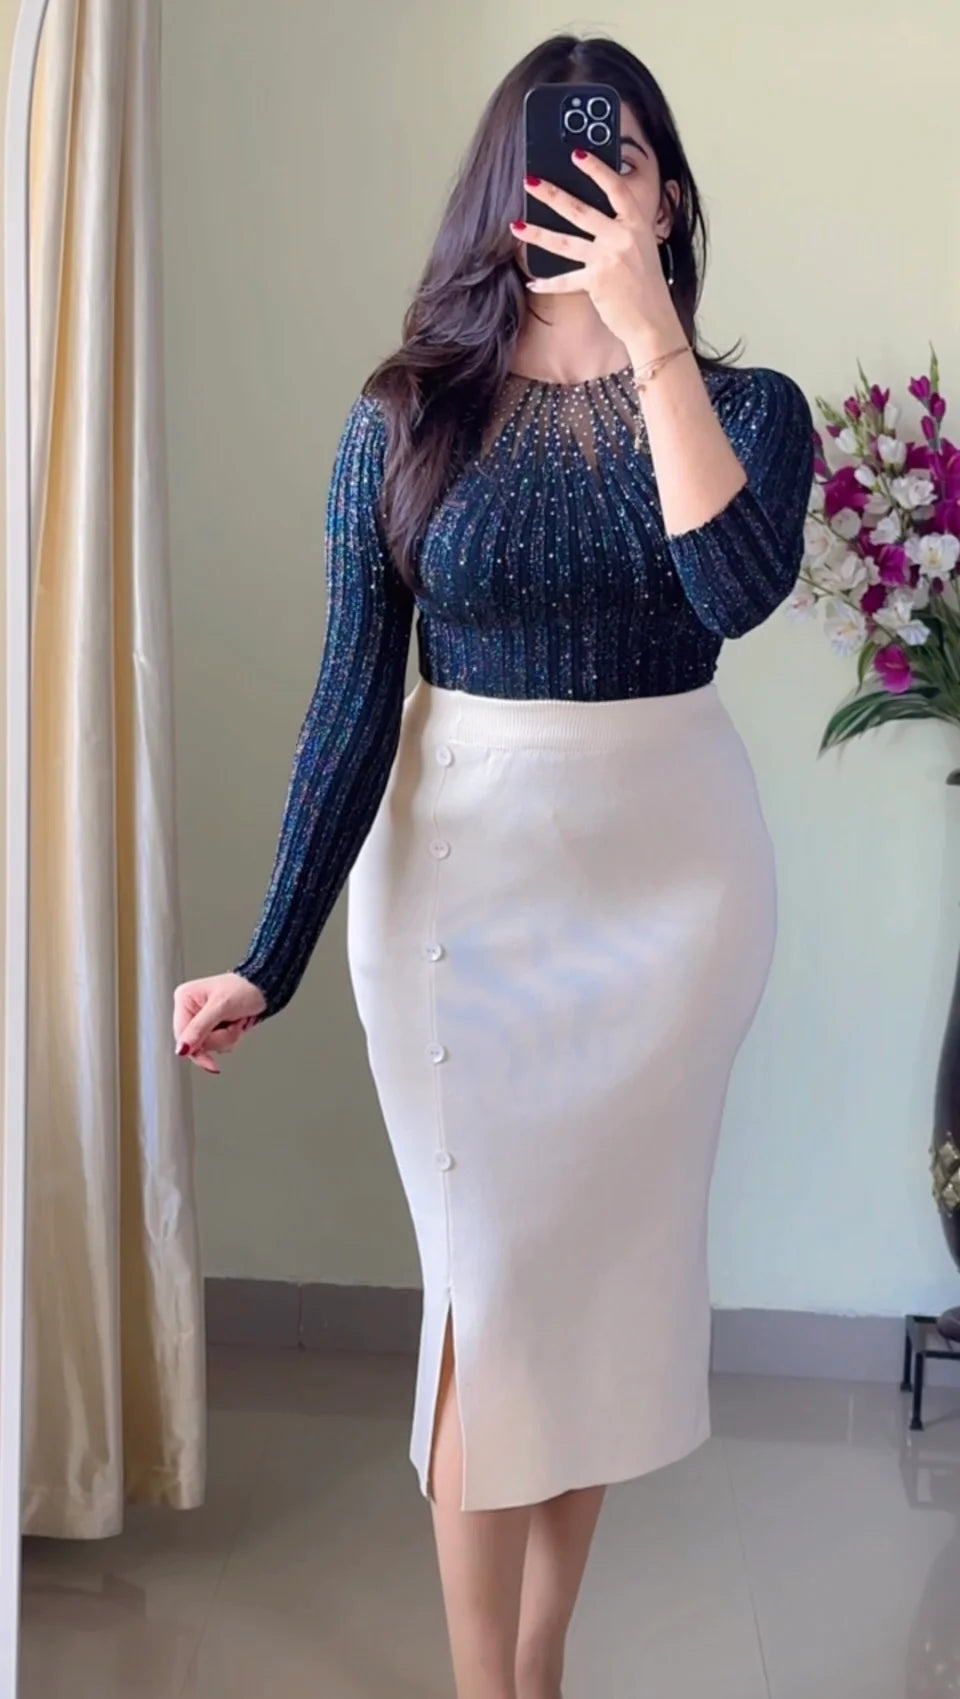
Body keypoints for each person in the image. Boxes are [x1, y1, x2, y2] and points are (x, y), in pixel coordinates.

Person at [173, 32, 813, 1699]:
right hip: (463, 892)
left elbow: (736, 593)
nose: (597, 182)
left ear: (667, 195)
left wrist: (649, 338)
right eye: (566, 157)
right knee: (490, 1299)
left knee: (592, 1308)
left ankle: (539, 1667)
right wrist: (269, 955)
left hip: (674, 898)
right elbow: (349, 700)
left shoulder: (749, 410)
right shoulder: (407, 416)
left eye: (627, 159)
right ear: (504, 190)